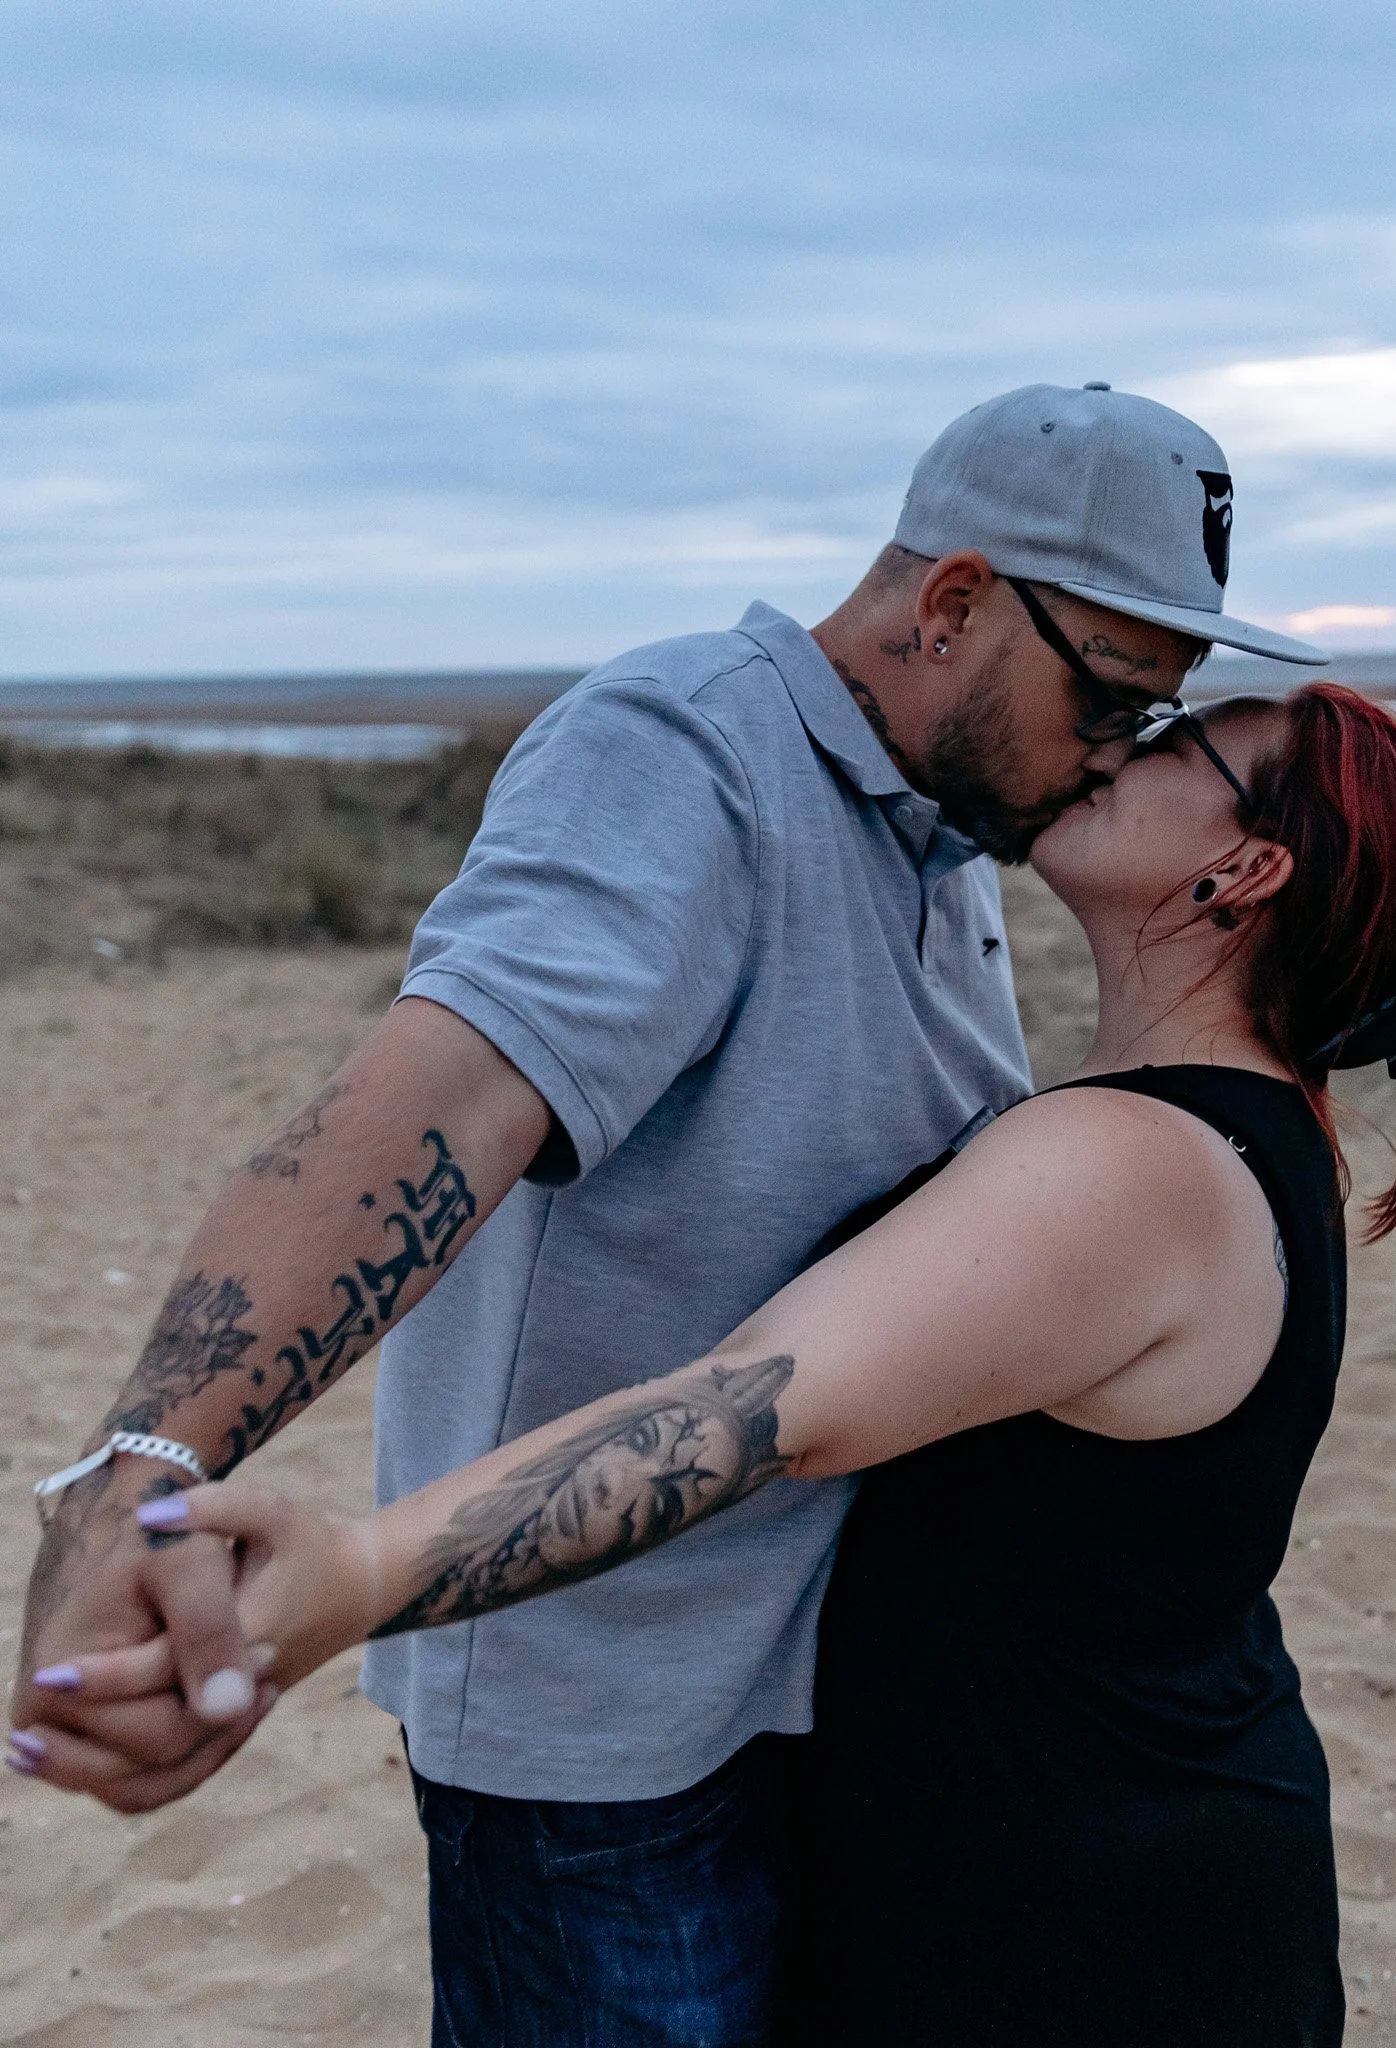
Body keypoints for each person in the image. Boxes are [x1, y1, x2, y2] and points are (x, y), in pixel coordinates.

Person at [10, 383, 1328, 2044]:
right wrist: (141, 1469)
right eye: (1111, 694)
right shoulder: (687, 751)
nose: (1123, 748)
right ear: (954, 601)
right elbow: (442, 1097)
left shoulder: (943, 834)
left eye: (1161, 712)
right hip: (608, 1751)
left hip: (807, 1710)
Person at [34, 680, 1396, 2045]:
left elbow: (753, 1412)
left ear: (1240, 868)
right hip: (1114, 1840)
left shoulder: (1127, 1166)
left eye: (1169, 741)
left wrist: (356, 1572)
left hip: (1078, 1913)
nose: (1112, 741)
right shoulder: (1239, 1135)